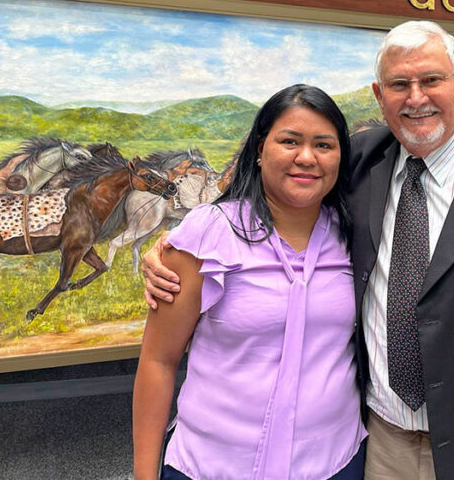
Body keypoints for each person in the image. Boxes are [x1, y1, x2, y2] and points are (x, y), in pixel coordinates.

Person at [143, 21, 454, 479]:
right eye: (400, 84)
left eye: (431, 80)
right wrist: (175, 246)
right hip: (379, 444)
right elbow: (280, 196)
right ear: (380, 97)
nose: (415, 97)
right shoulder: (360, 164)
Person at [133, 84, 367, 480]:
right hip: (214, 466)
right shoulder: (209, 234)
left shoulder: (355, 236)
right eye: (289, 141)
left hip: (334, 463)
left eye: (324, 145)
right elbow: (159, 360)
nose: (306, 157)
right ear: (260, 150)